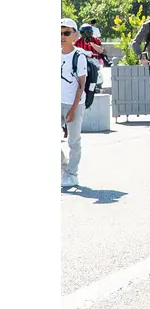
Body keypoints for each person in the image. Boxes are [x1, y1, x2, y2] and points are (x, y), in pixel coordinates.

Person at [61, 19, 86, 190]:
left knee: (74, 141)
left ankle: (72, 174)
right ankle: (64, 166)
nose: (62, 36)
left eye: (66, 33)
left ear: (75, 35)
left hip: (74, 105)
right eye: (60, 33)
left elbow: (81, 86)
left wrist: (73, 109)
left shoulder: (79, 57)